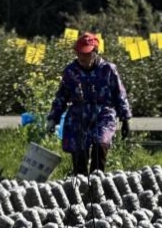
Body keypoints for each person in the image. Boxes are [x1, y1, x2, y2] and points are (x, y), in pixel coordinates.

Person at [47, 32, 132, 175]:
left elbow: (119, 94)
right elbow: (61, 96)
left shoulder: (108, 70)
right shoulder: (71, 71)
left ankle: (96, 184)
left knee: (100, 146)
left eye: (86, 54)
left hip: (103, 115)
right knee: (79, 155)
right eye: (79, 54)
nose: (82, 58)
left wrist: (125, 118)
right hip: (79, 117)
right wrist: (53, 119)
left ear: (95, 52)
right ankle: (81, 186)